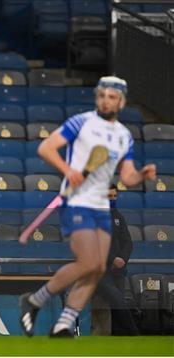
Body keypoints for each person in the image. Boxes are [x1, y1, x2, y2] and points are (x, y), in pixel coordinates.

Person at [19, 76, 156, 337]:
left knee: (96, 267)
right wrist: (68, 170)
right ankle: (35, 300)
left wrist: (141, 175)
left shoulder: (124, 136)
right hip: (76, 200)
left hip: (101, 206)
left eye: (112, 96)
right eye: (102, 95)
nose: (106, 100)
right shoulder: (81, 122)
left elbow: (126, 176)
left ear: (121, 101)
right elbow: (46, 148)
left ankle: (63, 324)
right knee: (89, 261)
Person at [92, 184, 139, 335]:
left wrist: (122, 259)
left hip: (118, 270)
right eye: (108, 197)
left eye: (114, 197)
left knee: (118, 304)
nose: (112, 200)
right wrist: (112, 259)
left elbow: (128, 242)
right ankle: (134, 334)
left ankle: (120, 340)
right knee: (117, 299)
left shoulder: (118, 216)